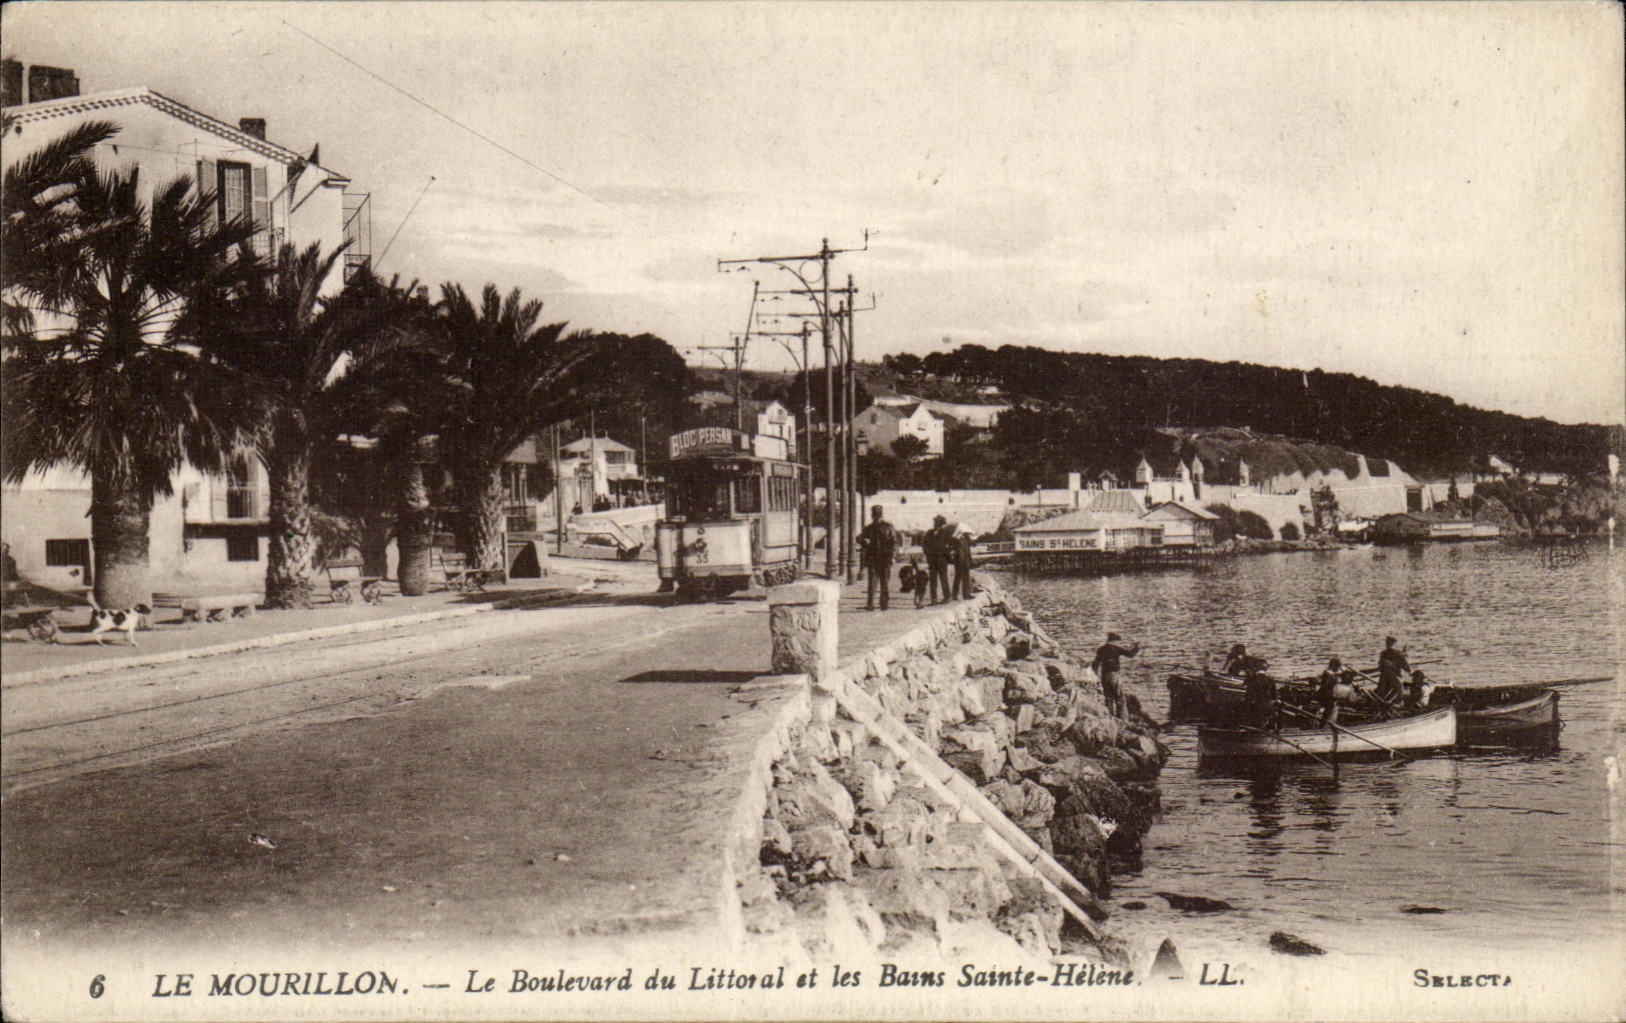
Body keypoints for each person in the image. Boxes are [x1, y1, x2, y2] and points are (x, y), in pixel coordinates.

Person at [857, 505, 899, 611]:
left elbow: (894, 543)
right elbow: (859, 538)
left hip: (885, 558)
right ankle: (871, 604)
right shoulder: (869, 528)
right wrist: (863, 541)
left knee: (884, 582)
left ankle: (883, 603)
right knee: (872, 582)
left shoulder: (888, 527)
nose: (876, 517)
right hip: (873, 558)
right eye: (875, 515)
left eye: (877, 515)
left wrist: (893, 557)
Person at [1091, 631, 1141, 717]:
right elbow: (1130, 654)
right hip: (1114, 675)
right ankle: (1121, 718)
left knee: (1108, 698)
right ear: (1114, 641)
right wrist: (1137, 647)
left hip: (1104, 675)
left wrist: (1095, 676)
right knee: (1119, 697)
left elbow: (1095, 664)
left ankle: (1110, 716)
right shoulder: (1116, 649)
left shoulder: (1101, 649)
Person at [923, 515, 952, 605]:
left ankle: (947, 597)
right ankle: (934, 599)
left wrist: (946, 554)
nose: (935, 524)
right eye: (935, 522)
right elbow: (924, 545)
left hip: (942, 560)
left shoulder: (945, 533)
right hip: (932, 560)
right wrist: (928, 554)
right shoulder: (929, 533)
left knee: (943, 579)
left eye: (937, 523)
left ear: (941, 524)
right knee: (933, 580)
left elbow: (949, 546)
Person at [1376, 636, 1410, 707]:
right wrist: (1409, 671)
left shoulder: (1383, 653)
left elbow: (1380, 667)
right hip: (1394, 677)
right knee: (1399, 689)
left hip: (1384, 677)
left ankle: (1382, 703)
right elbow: (1406, 666)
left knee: (1381, 692)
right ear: (1394, 643)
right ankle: (1397, 704)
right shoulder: (1398, 653)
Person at [1316, 657, 1347, 727]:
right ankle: (1325, 727)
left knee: (1327, 712)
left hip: (1326, 695)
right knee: (1329, 712)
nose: (1338, 669)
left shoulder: (1328, 672)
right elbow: (1334, 680)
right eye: (1337, 667)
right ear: (1333, 666)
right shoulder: (1328, 673)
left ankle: (1323, 725)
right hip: (1327, 696)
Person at [951, 525, 976, 599]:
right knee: (958, 578)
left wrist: (970, 561)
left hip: (965, 561)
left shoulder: (966, 539)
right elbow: (956, 551)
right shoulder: (956, 539)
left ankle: (966, 594)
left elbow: (968, 550)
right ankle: (955, 594)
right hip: (959, 561)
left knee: (966, 578)